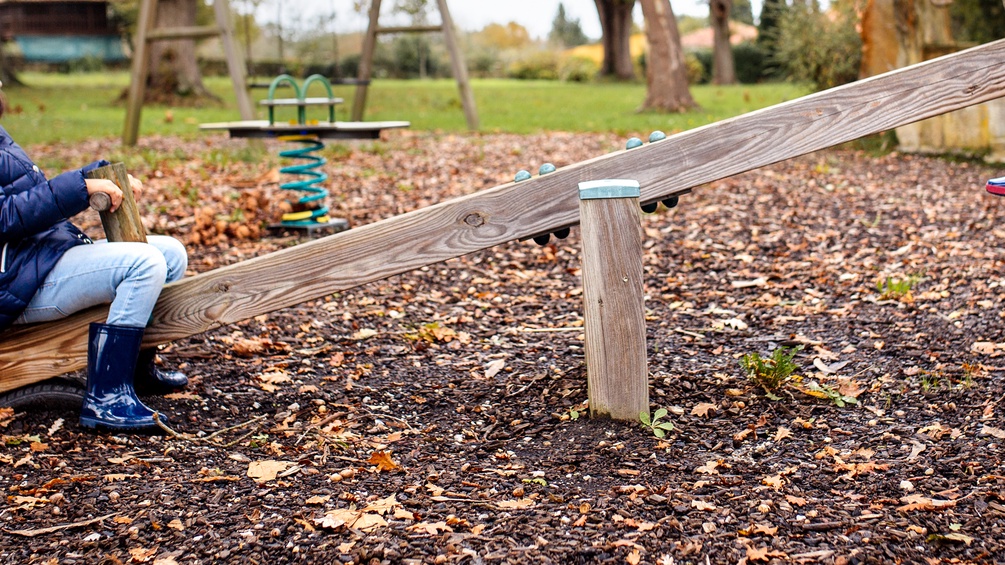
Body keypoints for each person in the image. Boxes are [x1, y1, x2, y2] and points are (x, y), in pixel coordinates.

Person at [0, 81, 188, 433]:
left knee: (169, 254)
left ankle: (134, 370)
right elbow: (6, 216)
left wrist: (96, 177)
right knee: (144, 264)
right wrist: (81, 188)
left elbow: (32, 196)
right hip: (13, 281)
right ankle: (107, 398)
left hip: (34, 260)